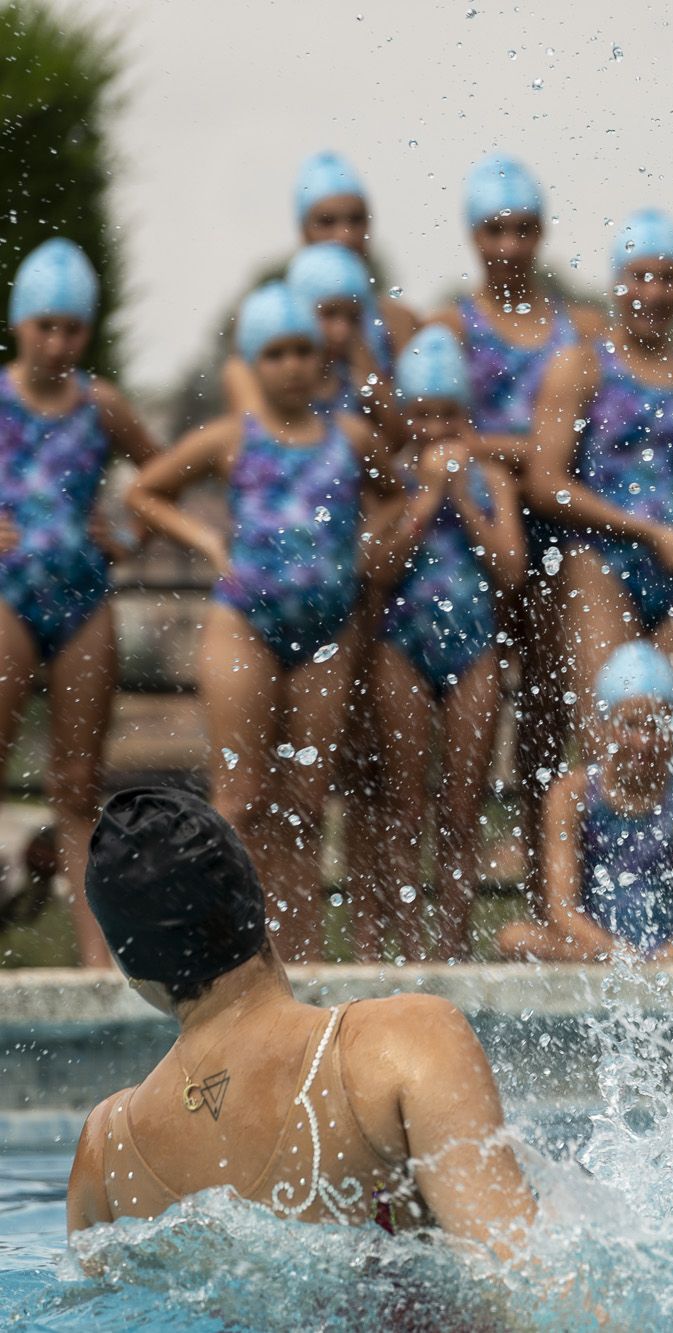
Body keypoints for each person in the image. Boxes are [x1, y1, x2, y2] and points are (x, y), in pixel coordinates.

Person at [67, 787, 536, 1259]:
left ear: (128, 964)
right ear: (256, 894)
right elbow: (521, 1279)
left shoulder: (106, 1153)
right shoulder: (399, 1041)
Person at [127, 283, 397, 962]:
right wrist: (209, 542)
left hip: (327, 633)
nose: (292, 365)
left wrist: (368, 546)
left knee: (306, 807)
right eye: (275, 353)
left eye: (303, 350)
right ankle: (230, 955)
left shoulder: (351, 437)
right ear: (253, 360)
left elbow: (399, 497)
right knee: (241, 797)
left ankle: (297, 954)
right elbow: (144, 491)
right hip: (244, 622)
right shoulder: (231, 438)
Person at [434, 153, 605, 913]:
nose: (509, 244)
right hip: (472, 544)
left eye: (523, 229)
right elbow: (442, 434)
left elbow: (563, 450)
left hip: (557, 541)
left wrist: (502, 450)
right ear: (474, 234)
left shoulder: (582, 328)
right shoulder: (451, 327)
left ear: (542, 233)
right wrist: (534, 453)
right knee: (464, 741)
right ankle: (451, 915)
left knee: (547, 723)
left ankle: (550, 901)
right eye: (496, 229)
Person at [0, 239, 159, 967]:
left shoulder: (102, 405)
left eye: (71, 328)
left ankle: (96, 962)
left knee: (77, 782)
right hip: (9, 598)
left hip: (83, 600)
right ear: (19, 324)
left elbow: (167, 473)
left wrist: (127, 529)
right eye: (45, 326)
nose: (57, 341)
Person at [358, 325, 526, 961]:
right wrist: (425, 502)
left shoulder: (492, 480)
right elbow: (376, 566)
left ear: (467, 416)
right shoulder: (392, 480)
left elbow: (509, 568)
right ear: (406, 414)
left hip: (474, 647)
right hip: (401, 644)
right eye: (422, 415)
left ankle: (451, 945)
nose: (434, 429)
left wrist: (464, 498)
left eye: (447, 415)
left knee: (462, 806)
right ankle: (408, 947)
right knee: (405, 805)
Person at [530, 208, 673, 711]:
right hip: (600, 562)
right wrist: (649, 533)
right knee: (609, 738)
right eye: (639, 277)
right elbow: (544, 483)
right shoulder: (581, 366)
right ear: (616, 284)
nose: (653, 293)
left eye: (667, 278)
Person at [495, 643, 673, 963]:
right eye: (630, 725)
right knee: (513, 937)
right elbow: (561, 909)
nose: (643, 742)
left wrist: (668, 956)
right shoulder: (571, 794)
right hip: (597, 950)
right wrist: (615, 951)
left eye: (655, 726)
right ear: (605, 727)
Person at [222, 244, 400, 425]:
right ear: (301, 312)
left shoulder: (356, 376)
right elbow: (258, 437)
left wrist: (365, 362)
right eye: (329, 315)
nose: (342, 331)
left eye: (353, 318)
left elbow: (397, 438)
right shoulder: (246, 371)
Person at [290, 149, 422, 347]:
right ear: (303, 231)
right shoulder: (275, 329)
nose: (345, 235)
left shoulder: (399, 322)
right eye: (327, 222)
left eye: (356, 219)